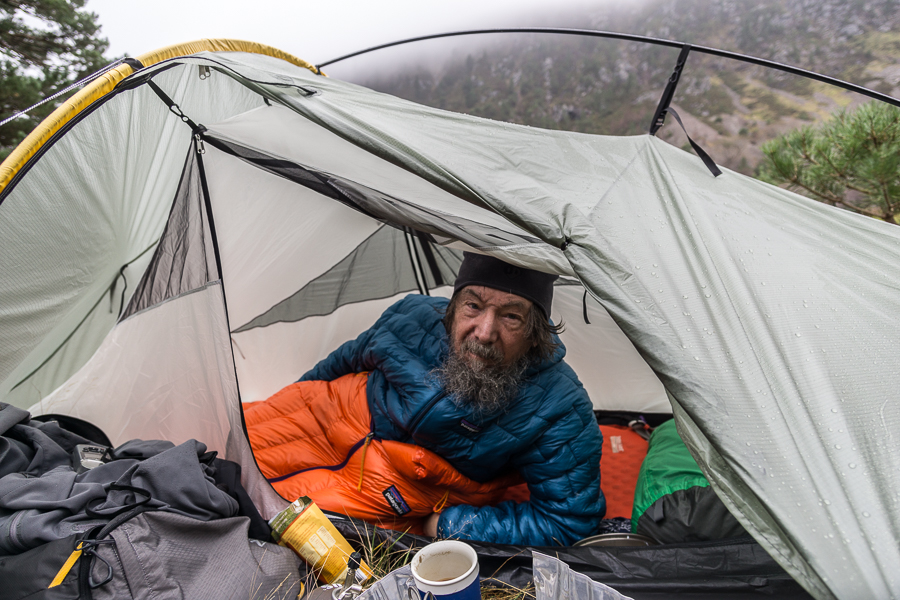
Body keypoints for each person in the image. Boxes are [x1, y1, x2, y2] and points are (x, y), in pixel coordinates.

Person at [292, 252, 605, 546]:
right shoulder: (411, 318)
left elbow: (567, 522)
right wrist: (290, 408)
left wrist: (447, 526)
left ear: (535, 333)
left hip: (397, 494)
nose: (484, 332)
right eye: (473, 306)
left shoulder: (561, 406)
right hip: (326, 433)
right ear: (453, 307)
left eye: (511, 316)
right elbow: (333, 370)